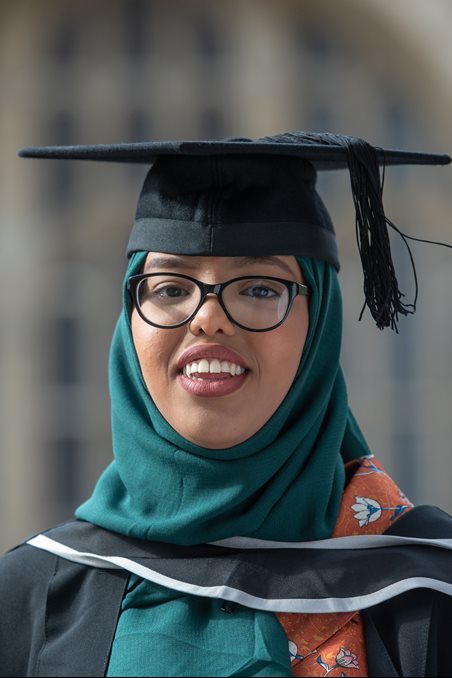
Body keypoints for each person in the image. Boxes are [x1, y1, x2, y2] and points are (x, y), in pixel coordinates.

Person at [1, 131, 452, 677]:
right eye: (170, 289)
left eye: (260, 289)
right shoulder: (30, 598)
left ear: (321, 329)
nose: (208, 320)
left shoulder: (430, 595)